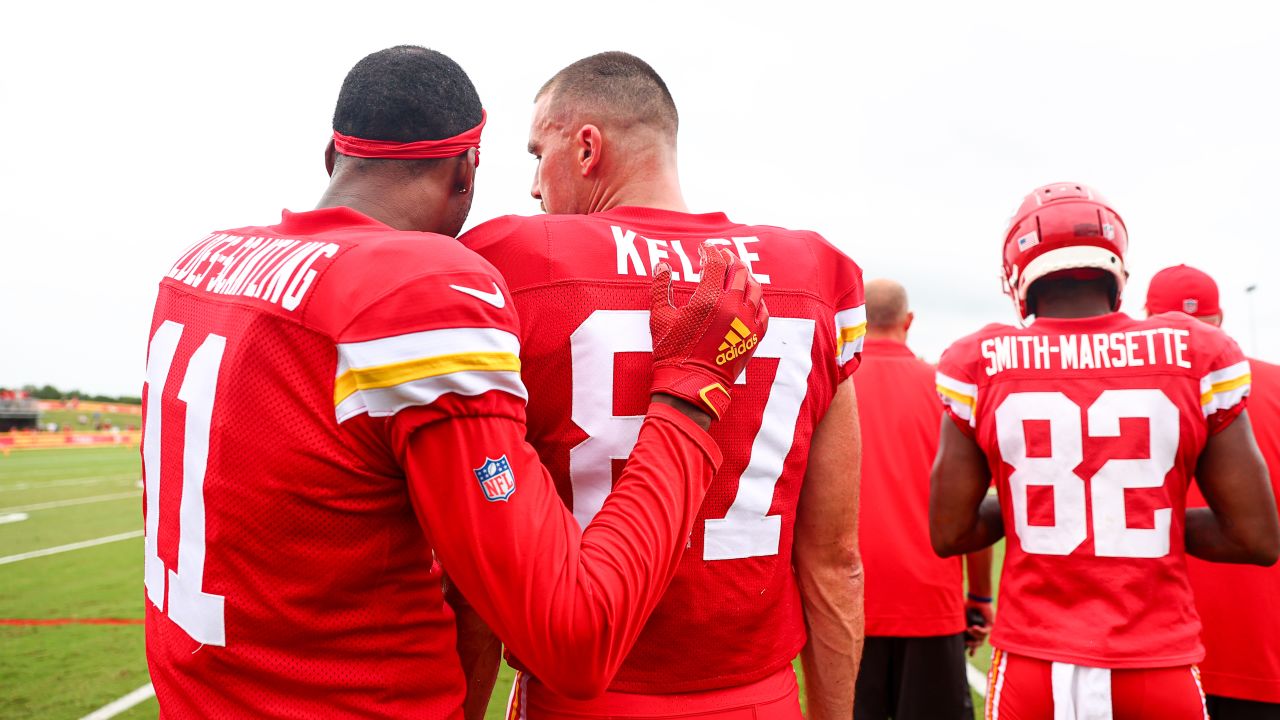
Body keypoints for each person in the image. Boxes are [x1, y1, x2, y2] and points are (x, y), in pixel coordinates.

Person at [142, 46, 769, 719]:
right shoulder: (419, 288)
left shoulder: (199, 263)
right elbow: (575, 641)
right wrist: (689, 394)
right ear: (466, 171)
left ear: (334, 157)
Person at [461, 51, 864, 720]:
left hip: (580, 696)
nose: (534, 184)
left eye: (540, 152)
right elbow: (836, 564)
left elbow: (476, 570)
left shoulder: (512, 263)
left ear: (587, 146)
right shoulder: (810, 274)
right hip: (756, 699)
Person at [929, 182, 1279, 719]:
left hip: (1034, 666)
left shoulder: (983, 360)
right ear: (1114, 266)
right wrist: (1140, 515)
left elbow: (951, 531)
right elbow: (1255, 536)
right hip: (1157, 665)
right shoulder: (1195, 353)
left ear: (1018, 272)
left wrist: (1040, 509)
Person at [852, 278, 993, 720]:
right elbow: (975, 501)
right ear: (908, 322)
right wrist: (981, 598)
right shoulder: (944, 391)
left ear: (857, 323)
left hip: (847, 601)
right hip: (930, 600)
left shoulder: (831, 389)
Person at [1147, 265, 1280, 719]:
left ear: (1146, 318)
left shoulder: (1125, 390)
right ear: (1220, 319)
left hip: (1151, 651)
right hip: (1262, 646)